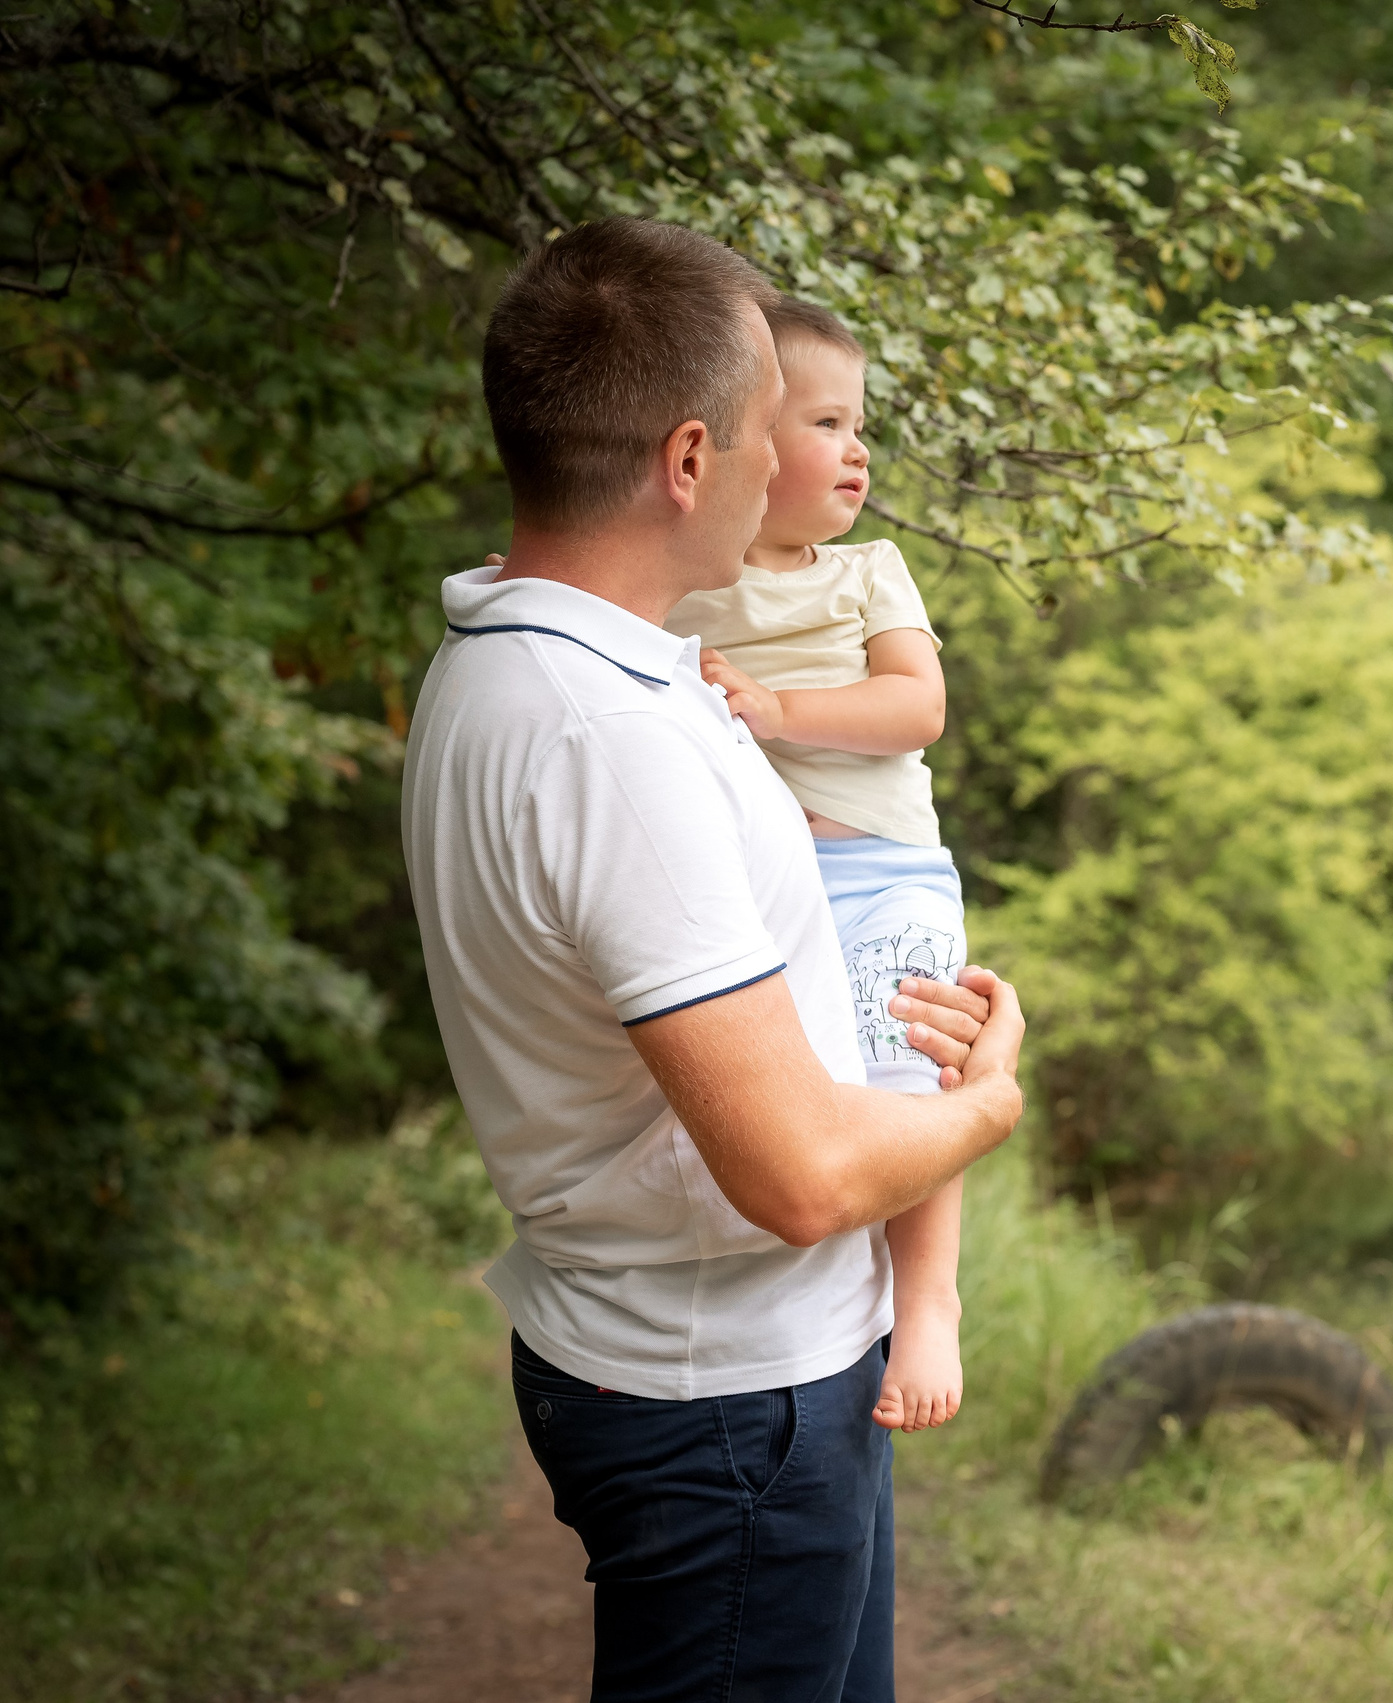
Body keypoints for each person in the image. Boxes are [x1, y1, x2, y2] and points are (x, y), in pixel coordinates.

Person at [402, 215, 1024, 1703]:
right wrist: (989, 1100)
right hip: (732, 1405)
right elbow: (799, 1178)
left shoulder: (524, 657)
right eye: (762, 433)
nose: (783, 468)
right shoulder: (610, 738)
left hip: (720, 1368)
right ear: (689, 460)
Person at [664, 296, 970, 1439]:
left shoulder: (868, 574)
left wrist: (778, 708)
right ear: (740, 437)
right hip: (761, 892)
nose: (859, 450)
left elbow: (917, 706)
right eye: (830, 423)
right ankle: (806, 1298)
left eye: (862, 427)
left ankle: (928, 1299)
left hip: (883, 877)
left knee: (917, 1086)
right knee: (795, 1096)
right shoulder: (692, 580)